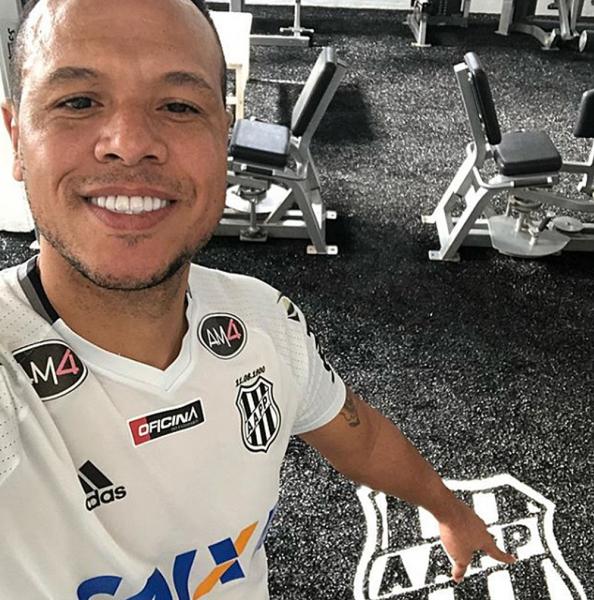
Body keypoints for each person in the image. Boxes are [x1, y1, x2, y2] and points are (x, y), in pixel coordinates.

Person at [0, 0, 515, 597]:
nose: (130, 143)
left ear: (224, 133)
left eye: (178, 106)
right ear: (16, 137)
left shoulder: (263, 319)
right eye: (78, 102)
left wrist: (448, 509)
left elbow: (361, 437)